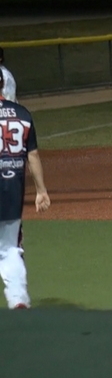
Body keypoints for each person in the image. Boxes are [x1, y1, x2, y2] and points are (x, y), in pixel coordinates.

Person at [0, 94, 50, 309]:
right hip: (12, 191)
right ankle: (18, 299)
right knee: (10, 249)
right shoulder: (22, 114)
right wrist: (41, 190)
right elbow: (33, 156)